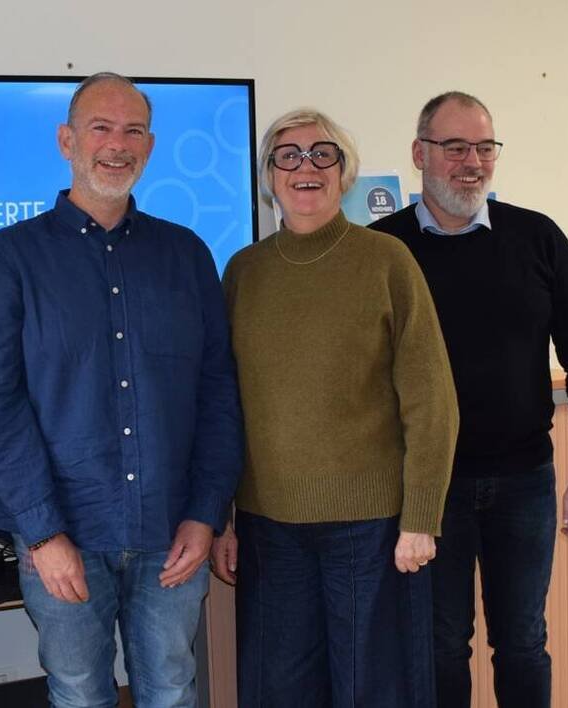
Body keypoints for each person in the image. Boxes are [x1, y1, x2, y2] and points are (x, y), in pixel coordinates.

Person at [0, 72, 243, 707]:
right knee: (81, 695)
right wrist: (41, 532)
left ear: (149, 144)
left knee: (172, 689)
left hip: (172, 532)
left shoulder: (188, 254)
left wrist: (207, 512)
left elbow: (219, 393)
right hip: (62, 539)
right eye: (100, 128)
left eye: (133, 130)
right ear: (67, 140)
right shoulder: (9, 259)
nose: (117, 144)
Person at [371, 91, 568, 707]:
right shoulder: (382, 250)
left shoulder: (537, 237)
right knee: (441, 644)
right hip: (427, 489)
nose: (471, 162)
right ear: (419, 153)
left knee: (524, 641)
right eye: (455, 147)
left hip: (523, 482)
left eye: (484, 147)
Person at [211, 108, 459, 706]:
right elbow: (223, 405)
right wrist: (223, 516)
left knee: (372, 689)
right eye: (288, 155)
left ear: (344, 173)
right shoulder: (244, 272)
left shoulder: (387, 261)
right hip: (270, 528)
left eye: (323, 153)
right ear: (268, 175)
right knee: (281, 691)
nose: (306, 167)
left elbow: (432, 401)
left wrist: (420, 517)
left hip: (370, 529)